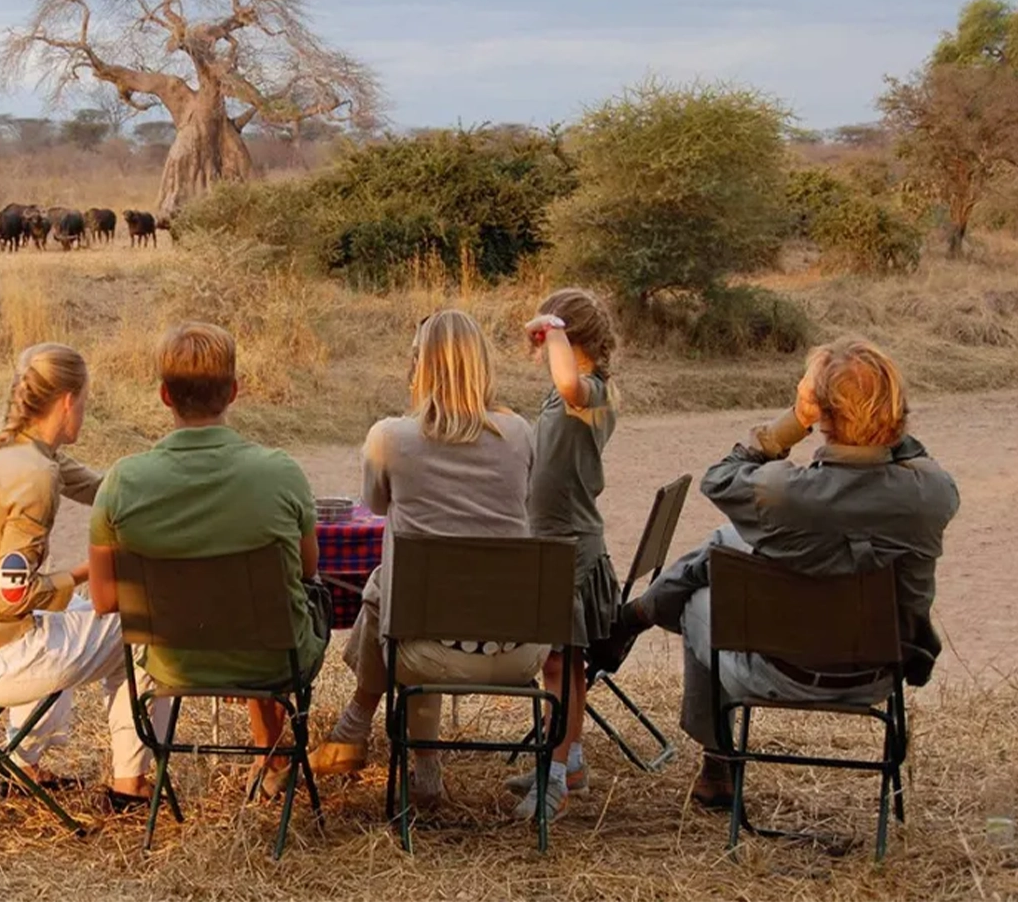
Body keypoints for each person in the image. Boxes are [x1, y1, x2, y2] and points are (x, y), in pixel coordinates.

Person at [596, 338, 960, 810]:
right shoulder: (932, 494)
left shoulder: (783, 493)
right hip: (878, 671)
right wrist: (881, 424)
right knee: (727, 543)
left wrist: (793, 420)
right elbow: (914, 459)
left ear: (822, 414)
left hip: (777, 671)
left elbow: (720, 476)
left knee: (705, 587)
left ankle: (716, 760)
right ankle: (640, 617)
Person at [0, 343, 168, 811]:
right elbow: (15, 599)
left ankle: (23, 767)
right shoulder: (34, 476)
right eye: (86, 403)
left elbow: (95, 486)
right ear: (68, 401)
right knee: (143, 628)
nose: (85, 414)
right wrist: (86, 573)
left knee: (71, 615)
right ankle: (132, 785)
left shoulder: (6, 441)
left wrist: (157, 489)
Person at [307, 309, 548, 807]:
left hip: (426, 651)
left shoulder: (391, 437)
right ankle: (397, 751)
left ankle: (384, 739)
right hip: (519, 649)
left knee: (391, 592)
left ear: (420, 367)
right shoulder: (520, 433)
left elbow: (375, 506)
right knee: (393, 588)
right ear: (483, 365)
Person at [87, 322, 329, 797]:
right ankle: (277, 756)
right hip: (270, 662)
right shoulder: (280, 473)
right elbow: (304, 570)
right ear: (234, 391)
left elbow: (103, 598)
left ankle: (272, 755)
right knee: (295, 604)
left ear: (163, 396)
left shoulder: (121, 482)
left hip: (175, 665)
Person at [504, 288, 620, 823]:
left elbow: (569, 379)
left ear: (569, 340)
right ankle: (566, 757)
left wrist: (552, 331)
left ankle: (558, 770)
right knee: (563, 661)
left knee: (559, 660)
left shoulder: (588, 390)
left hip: (569, 545)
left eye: (551, 339)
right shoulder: (563, 394)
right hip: (554, 542)